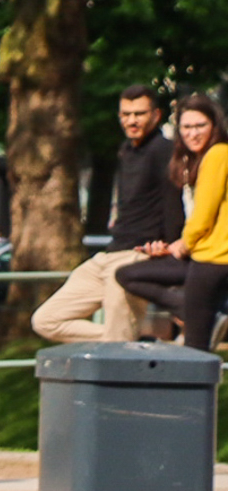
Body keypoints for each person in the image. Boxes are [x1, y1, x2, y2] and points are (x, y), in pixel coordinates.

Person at [31, 85, 181, 342]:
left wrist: (171, 248)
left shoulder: (163, 150)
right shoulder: (125, 150)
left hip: (136, 257)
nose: (131, 120)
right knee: (46, 320)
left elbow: (173, 202)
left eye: (139, 113)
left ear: (156, 115)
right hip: (108, 255)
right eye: (125, 114)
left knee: (117, 343)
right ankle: (134, 341)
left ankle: (125, 342)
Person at [120, 95, 228, 347]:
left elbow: (204, 214)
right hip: (206, 256)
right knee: (129, 275)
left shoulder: (217, 154)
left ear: (215, 126)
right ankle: (190, 306)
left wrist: (183, 244)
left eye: (200, 126)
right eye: (186, 127)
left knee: (196, 348)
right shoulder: (204, 158)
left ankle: (199, 312)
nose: (193, 134)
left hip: (212, 258)